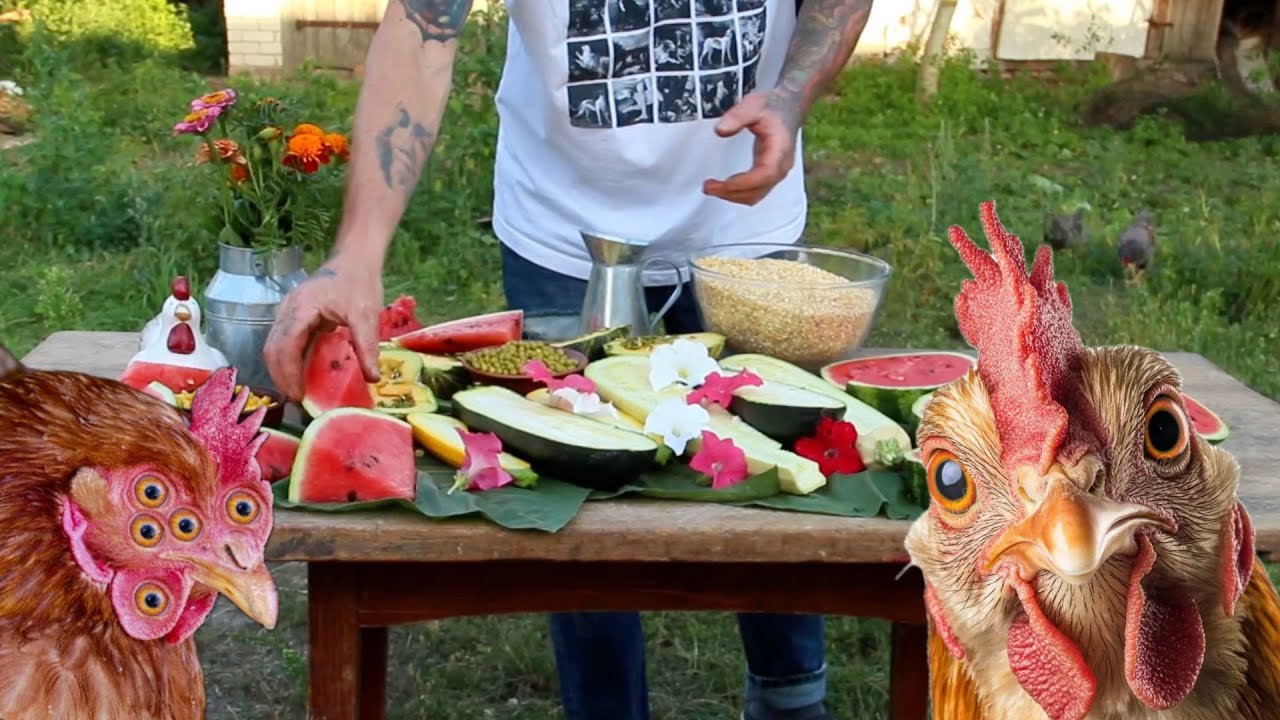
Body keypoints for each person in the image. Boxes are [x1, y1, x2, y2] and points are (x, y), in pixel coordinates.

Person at [263, 0, 876, 718]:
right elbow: (421, 27)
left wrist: (791, 94)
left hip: (745, 225)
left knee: (781, 466)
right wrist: (357, 256)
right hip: (563, 233)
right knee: (579, 485)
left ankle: (791, 699)